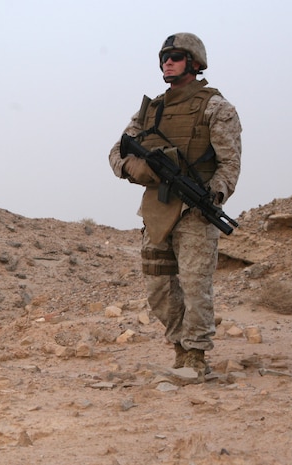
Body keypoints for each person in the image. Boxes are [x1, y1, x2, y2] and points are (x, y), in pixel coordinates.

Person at [108, 33, 242, 377]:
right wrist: (135, 168)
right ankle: (178, 344)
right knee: (158, 287)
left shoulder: (215, 107)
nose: (168, 62)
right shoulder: (151, 109)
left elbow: (229, 164)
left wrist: (213, 195)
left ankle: (195, 354)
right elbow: (116, 152)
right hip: (156, 211)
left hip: (195, 211)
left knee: (197, 287)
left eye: (176, 56)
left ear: (195, 63)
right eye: (164, 57)